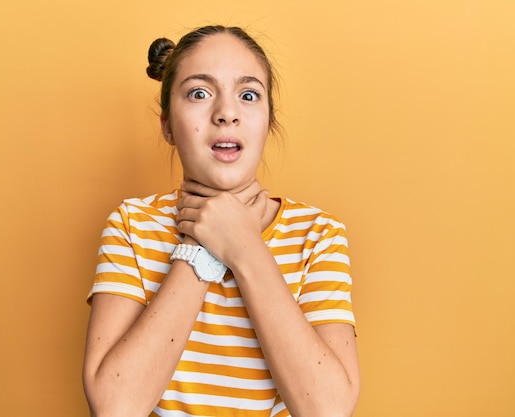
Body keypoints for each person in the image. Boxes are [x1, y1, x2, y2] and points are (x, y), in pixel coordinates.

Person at [82, 25, 360, 417]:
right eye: (199, 93)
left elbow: (328, 410)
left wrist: (244, 247)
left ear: (268, 122)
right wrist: (201, 250)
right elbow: (115, 407)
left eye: (248, 95)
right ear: (167, 127)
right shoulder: (131, 226)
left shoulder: (317, 236)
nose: (226, 113)